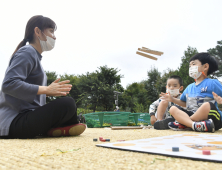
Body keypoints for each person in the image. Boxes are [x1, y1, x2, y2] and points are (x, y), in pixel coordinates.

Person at [0, 15, 86, 139]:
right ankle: (59, 127)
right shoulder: (27, 52)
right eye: (51, 31)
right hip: (14, 122)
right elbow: (8, 84)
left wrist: (47, 93)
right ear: (37, 32)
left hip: (24, 119)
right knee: (68, 104)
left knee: (69, 106)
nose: (54, 36)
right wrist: (46, 90)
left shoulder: (34, 56)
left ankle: (60, 126)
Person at [160, 53, 222, 132]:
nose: (191, 67)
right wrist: (172, 99)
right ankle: (193, 125)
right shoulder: (189, 87)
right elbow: (185, 103)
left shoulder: (213, 83)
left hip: (212, 118)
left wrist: (220, 101)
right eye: (190, 66)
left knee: (207, 105)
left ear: (205, 67)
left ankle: (183, 123)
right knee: (172, 108)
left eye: (193, 64)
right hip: (195, 116)